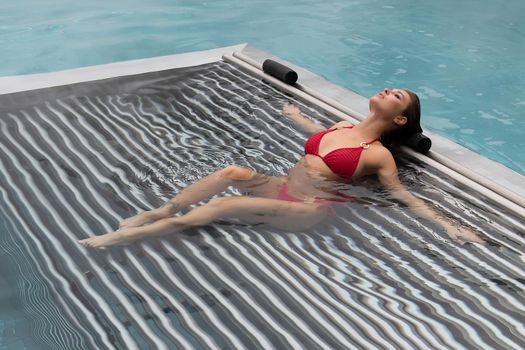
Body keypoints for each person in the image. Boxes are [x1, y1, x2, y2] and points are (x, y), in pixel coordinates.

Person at [79, 88, 484, 248]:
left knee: (224, 207)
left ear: (400, 120)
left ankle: (136, 235)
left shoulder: (377, 153)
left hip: (307, 210)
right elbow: (317, 133)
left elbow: (400, 194)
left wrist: (448, 225)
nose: (386, 90)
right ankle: (160, 211)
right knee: (232, 173)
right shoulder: (341, 126)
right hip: (281, 187)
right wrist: (294, 115)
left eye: (396, 96)